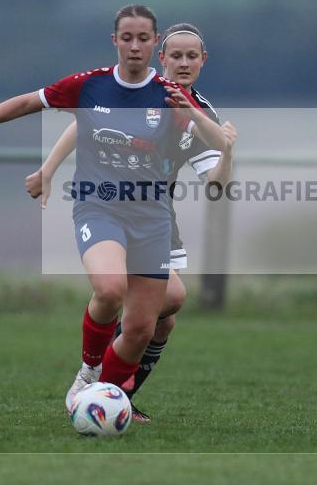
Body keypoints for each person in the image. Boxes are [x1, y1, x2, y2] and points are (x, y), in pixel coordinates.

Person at [0, 5, 228, 415]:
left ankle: (106, 402)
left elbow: (215, 158)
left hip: (153, 217)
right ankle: (89, 372)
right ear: (118, 42)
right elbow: (41, 107)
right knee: (111, 289)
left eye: (142, 38)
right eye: (126, 38)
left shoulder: (176, 101)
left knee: (148, 323)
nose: (134, 46)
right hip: (100, 206)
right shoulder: (93, 85)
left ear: (154, 44)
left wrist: (225, 145)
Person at [26, 23, 237, 421]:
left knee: (165, 318)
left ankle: (115, 396)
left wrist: (227, 153)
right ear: (163, 58)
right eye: (176, 55)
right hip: (109, 206)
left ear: (203, 61)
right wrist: (48, 169)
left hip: (155, 215)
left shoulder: (199, 113)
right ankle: (94, 380)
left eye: (192, 56)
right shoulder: (139, 90)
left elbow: (216, 182)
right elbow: (84, 122)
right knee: (163, 300)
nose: (184, 63)